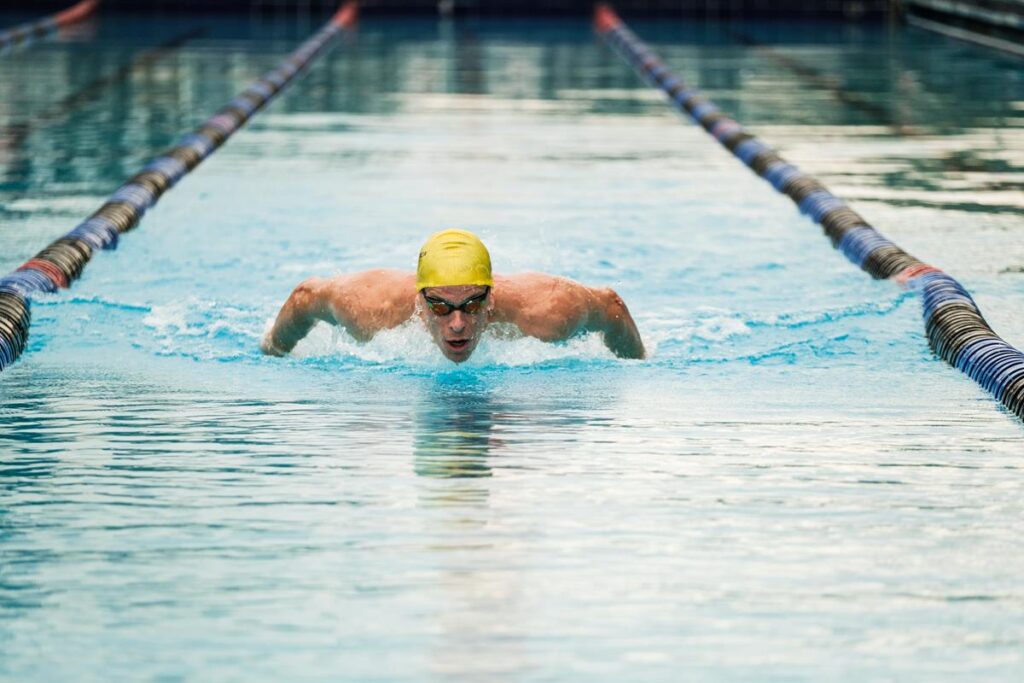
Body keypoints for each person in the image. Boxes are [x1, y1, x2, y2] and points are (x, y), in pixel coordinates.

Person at [260, 229, 645, 363]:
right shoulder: (371, 308)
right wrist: (273, 353)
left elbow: (612, 306)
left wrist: (636, 367)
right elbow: (304, 297)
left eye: (473, 304)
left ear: (491, 297)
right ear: (419, 301)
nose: (457, 324)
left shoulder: (545, 310)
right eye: (440, 307)